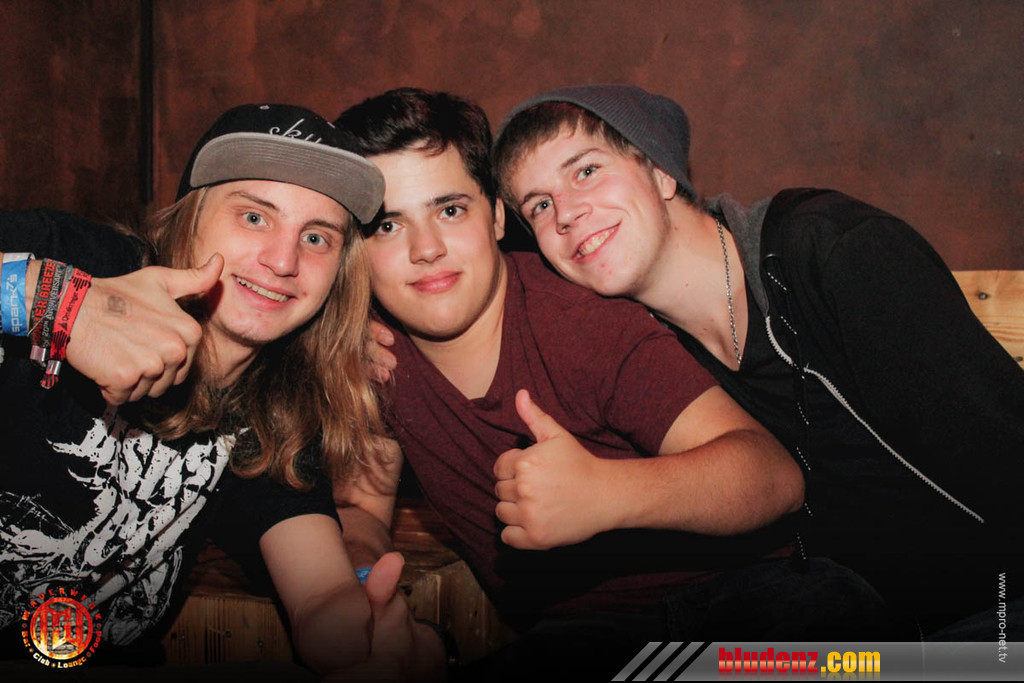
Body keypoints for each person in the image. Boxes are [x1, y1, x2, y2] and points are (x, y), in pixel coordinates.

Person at [335, 87, 905, 680]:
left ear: (497, 217)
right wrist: (358, 582)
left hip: (751, 603)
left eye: (450, 210)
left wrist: (606, 493)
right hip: (586, 640)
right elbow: (361, 509)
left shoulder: (580, 324)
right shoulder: (373, 357)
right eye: (387, 226)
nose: (426, 249)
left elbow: (773, 476)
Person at [493, 83, 1024, 638]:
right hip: (876, 646)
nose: (566, 214)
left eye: (586, 171)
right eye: (540, 205)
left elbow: (1007, 458)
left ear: (662, 172)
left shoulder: (833, 251)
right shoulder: (656, 355)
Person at [0, 103, 442, 678]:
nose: (282, 260)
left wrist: (359, 636)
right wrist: (48, 298)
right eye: (254, 217)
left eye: (316, 237)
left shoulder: (276, 410)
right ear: (188, 218)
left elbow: (319, 591)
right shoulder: (86, 262)